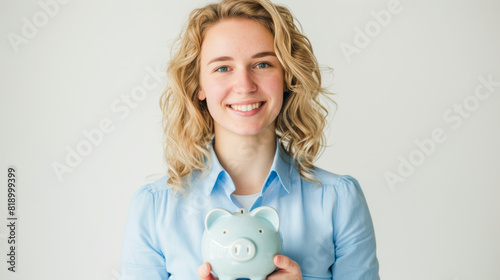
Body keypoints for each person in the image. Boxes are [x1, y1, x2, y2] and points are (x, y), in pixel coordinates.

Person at [119, 0, 379, 279]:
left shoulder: (338, 200)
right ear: (198, 86)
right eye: (222, 68)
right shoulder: (155, 208)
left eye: (263, 64)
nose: (245, 85)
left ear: (287, 77)